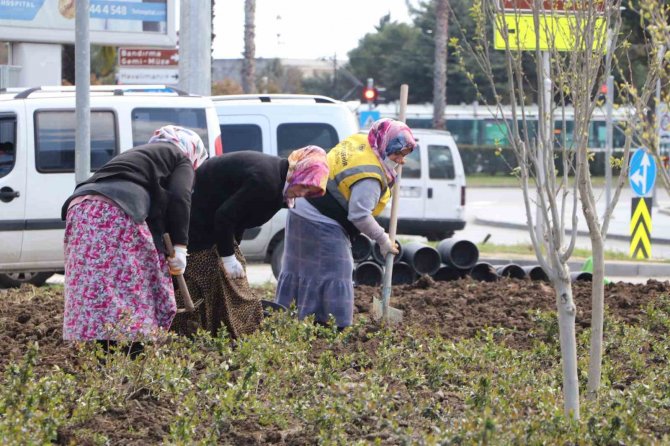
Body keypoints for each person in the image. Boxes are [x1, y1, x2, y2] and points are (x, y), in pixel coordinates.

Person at [61, 125, 208, 357]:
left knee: (98, 287)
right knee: (135, 286)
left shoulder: (139, 157)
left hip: (80, 209)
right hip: (114, 212)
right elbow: (181, 196)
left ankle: (105, 352)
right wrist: (180, 248)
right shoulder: (180, 157)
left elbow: (158, 212)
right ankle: (134, 350)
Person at [275, 118, 417, 329]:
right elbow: (359, 215)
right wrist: (382, 239)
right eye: (397, 154)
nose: (401, 161)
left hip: (302, 206)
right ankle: (335, 326)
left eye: (404, 156)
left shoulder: (363, 141)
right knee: (338, 270)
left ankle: (290, 318)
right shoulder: (369, 176)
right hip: (321, 217)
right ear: (384, 147)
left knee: (300, 268)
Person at [174, 146, 329, 338]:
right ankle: (185, 334)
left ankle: (222, 333)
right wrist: (228, 257)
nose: (303, 193)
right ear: (298, 172)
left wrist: (232, 249)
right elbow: (224, 216)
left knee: (230, 281)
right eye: (304, 185)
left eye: (310, 191)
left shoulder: (279, 180)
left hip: (211, 224)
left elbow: (239, 218)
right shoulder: (266, 182)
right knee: (205, 279)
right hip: (196, 223)